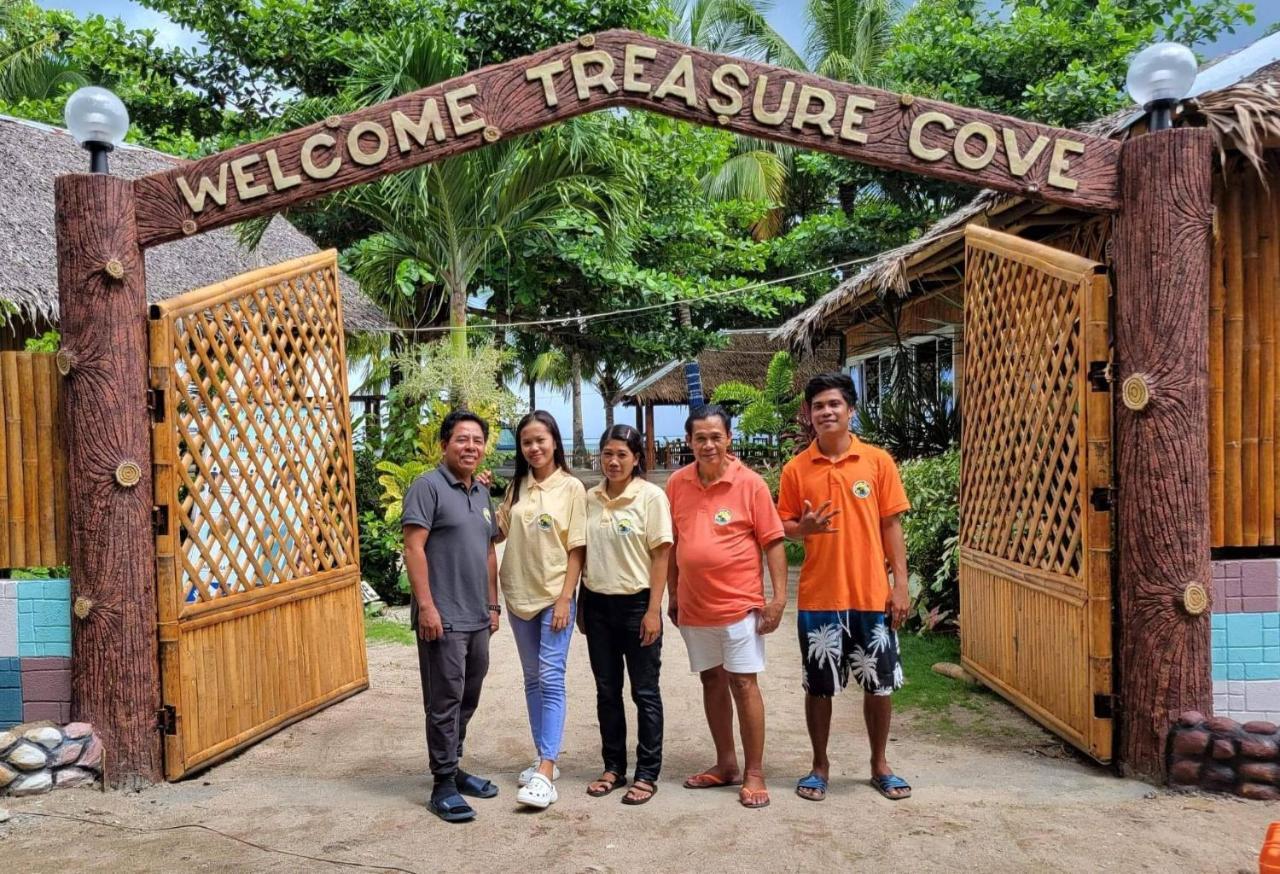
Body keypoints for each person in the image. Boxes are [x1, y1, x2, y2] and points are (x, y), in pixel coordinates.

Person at [777, 373, 913, 802]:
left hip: (872, 596)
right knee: (818, 688)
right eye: (818, 406)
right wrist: (805, 528)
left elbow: (891, 525)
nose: (826, 412)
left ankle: (880, 764)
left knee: (880, 686)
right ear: (809, 415)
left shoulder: (877, 462)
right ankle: (819, 765)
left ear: (850, 410)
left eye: (834, 404)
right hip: (819, 600)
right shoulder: (796, 470)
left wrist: (901, 585)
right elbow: (782, 527)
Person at [666, 404, 788, 809]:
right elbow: (672, 547)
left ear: (729, 439)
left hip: (740, 607)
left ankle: (754, 772)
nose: (708, 444)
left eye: (716, 436)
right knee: (711, 681)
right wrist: (673, 594)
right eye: (700, 437)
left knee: (742, 683)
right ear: (689, 442)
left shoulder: (749, 484)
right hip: (696, 608)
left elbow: (772, 541)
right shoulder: (677, 484)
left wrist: (778, 598)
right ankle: (725, 764)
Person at [401, 409, 501, 823]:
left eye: (477, 440)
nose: (470, 447)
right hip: (442, 617)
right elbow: (413, 548)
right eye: (462, 439)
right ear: (445, 444)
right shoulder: (427, 487)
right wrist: (426, 606)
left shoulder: (479, 492)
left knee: (468, 696)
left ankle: (454, 765)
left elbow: (490, 550)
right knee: (443, 702)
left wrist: (493, 606)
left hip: (477, 615)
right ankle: (442, 783)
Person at [497, 410, 586, 810]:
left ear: (555, 441)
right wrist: (481, 494)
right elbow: (499, 531)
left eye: (540, 440)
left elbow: (577, 548)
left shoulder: (572, 488)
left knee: (551, 677)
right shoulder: (516, 486)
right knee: (532, 678)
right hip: (517, 593)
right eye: (527, 442)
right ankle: (541, 754)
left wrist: (567, 597)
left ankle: (547, 771)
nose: (534, 448)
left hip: (554, 596)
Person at [581, 424, 672, 806]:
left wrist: (654, 610)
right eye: (608, 454)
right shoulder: (589, 498)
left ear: (636, 459)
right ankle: (613, 766)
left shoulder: (651, 497)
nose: (613, 461)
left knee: (645, 692)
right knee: (606, 692)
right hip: (597, 605)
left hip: (637, 606)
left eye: (622, 454)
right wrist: (581, 605)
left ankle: (647, 773)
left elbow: (662, 555)